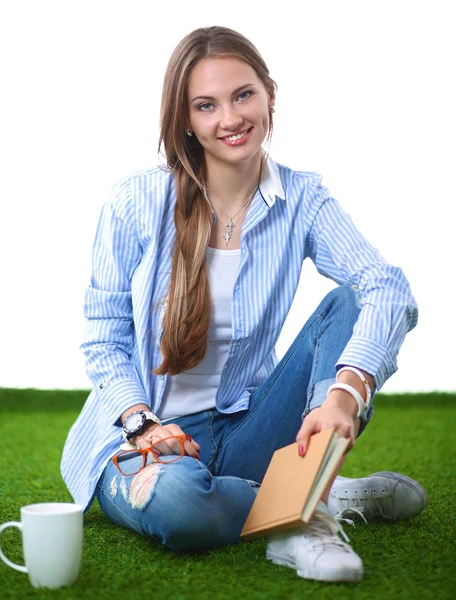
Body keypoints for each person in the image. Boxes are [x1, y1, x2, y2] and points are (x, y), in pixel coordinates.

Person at [61, 26, 426, 583]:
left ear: (270, 94)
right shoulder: (136, 200)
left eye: (243, 95)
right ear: (185, 119)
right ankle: (311, 498)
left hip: (248, 427)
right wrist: (142, 425)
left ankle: (303, 495)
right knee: (179, 506)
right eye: (206, 105)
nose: (230, 119)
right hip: (145, 441)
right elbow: (102, 336)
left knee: (352, 301)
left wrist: (346, 394)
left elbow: (386, 287)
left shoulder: (303, 198)